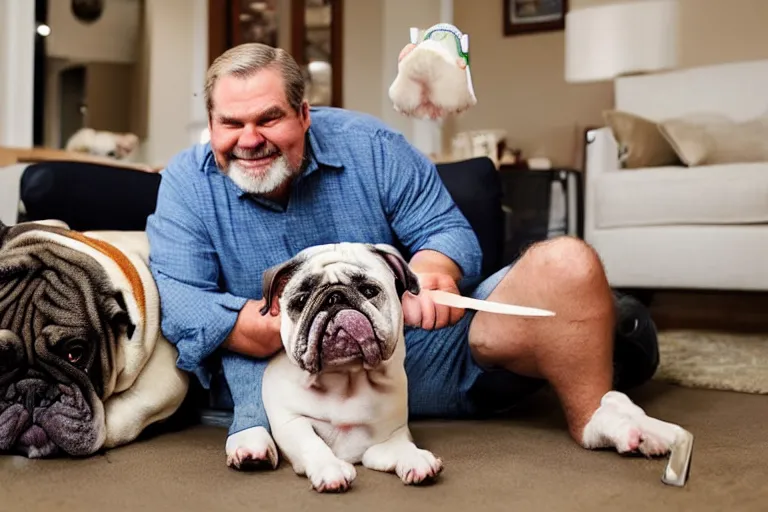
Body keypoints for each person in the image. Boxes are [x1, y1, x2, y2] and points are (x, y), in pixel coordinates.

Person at [146, 42, 677, 469]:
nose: (249, 139)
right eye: (231, 124)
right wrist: (273, 325)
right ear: (211, 123)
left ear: (305, 114)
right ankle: (607, 336)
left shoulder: (372, 145)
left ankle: (596, 415)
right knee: (618, 322)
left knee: (570, 262)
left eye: (268, 119)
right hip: (291, 380)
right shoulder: (186, 184)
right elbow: (178, 297)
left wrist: (433, 272)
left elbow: (446, 229)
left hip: (422, 357)